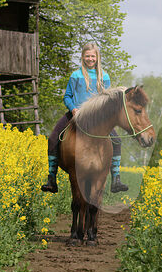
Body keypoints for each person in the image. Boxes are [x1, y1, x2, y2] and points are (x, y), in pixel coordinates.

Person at [41, 42, 128, 194]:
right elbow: (67, 96)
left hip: (98, 118)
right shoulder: (76, 75)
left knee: (117, 140)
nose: (90, 59)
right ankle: (51, 178)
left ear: (97, 57)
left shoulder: (104, 76)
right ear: (82, 57)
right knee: (53, 139)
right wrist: (73, 108)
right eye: (87, 56)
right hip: (76, 114)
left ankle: (116, 178)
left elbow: (107, 99)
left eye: (93, 56)